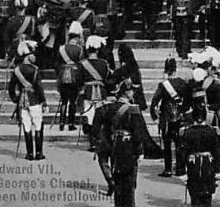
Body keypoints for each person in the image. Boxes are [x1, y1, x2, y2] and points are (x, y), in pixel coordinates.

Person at [109, 78, 159, 207]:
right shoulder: (133, 109)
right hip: (129, 147)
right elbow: (139, 134)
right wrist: (140, 151)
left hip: (115, 146)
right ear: (126, 93)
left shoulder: (110, 107)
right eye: (131, 91)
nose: (132, 93)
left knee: (118, 180)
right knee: (129, 183)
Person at [149, 57, 188, 177]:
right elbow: (187, 99)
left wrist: (154, 115)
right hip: (179, 117)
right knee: (180, 143)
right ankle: (180, 168)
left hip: (166, 118)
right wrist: (183, 111)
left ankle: (168, 169)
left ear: (166, 72)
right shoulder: (182, 82)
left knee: (167, 144)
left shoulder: (163, 85)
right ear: (175, 71)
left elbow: (155, 101)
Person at [9, 40, 47, 160]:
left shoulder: (17, 70)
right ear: (27, 55)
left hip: (22, 102)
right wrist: (44, 102)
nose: (34, 56)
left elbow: (11, 87)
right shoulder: (35, 69)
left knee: (26, 126)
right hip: (35, 101)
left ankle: (29, 154)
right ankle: (39, 153)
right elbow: (39, 88)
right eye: (32, 54)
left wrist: (15, 99)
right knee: (38, 125)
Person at [181, 99, 220, 207]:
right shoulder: (212, 131)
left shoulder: (188, 132)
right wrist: (217, 171)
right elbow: (217, 152)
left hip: (193, 165)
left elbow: (182, 152)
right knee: (207, 196)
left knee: (195, 197)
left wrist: (182, 172)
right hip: (208, 165)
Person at [79, 35, 112, 141]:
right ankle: (98, 139)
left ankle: (91, 140)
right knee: (99, 115)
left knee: (88, 115)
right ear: (97, 49)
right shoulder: (104, 63)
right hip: (101, 92)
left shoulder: (82, 64)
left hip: (87, 91)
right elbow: (107, 78)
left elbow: (79, 79)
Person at [56, 31, 84, 131]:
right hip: (75, 76)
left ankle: (61, 123)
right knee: (72, 102)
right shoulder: (80, 50)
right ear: (76, 39)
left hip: (63, 75)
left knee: (63, 101)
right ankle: (71, 124)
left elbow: (57, 64)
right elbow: (81, 65)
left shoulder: (61, 48)